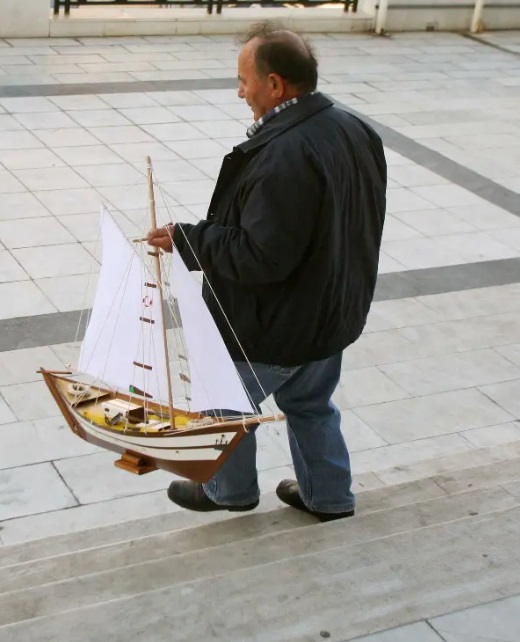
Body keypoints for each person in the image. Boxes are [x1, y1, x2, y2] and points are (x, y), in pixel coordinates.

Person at [146, 21, 387, 522]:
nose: (240, 92)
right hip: (330, 313)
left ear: (275, 84)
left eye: (244, 80)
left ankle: (228, 492)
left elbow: (263, 256)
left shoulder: (284, 155)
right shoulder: (353, 128)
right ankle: (329, 497)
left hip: (273, 326)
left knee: (223, 407)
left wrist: (189, 239)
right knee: (312, 406)